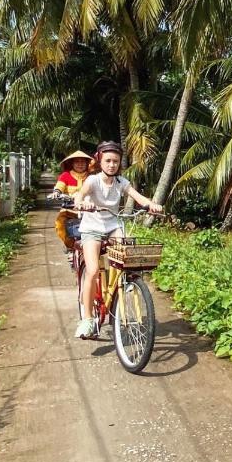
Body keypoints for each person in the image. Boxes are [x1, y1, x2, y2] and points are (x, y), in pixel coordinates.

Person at [73, 140, 163, 339]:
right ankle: (87, 319)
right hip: (92, 228)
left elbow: (138, 197)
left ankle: (119, 286)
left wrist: (151, 205)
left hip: (113, 226)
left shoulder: (122, 183)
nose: (112, 164)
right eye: (108, 160)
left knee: (126, 259)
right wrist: (82, 204)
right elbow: (79, 196)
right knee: (94, 270)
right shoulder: (93, 181)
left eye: (116, 161)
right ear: (99, 161)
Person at [53, 150, 92, 251]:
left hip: (89, 209)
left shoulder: (91, 177)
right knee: (60, 224)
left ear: (87, 164)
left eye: (83, 162)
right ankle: (70, 246)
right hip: (69, 209)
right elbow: (59, 186)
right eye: (77, 162)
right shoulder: (65, 175)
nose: (80, 164)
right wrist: (56, 192)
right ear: (72, 163)